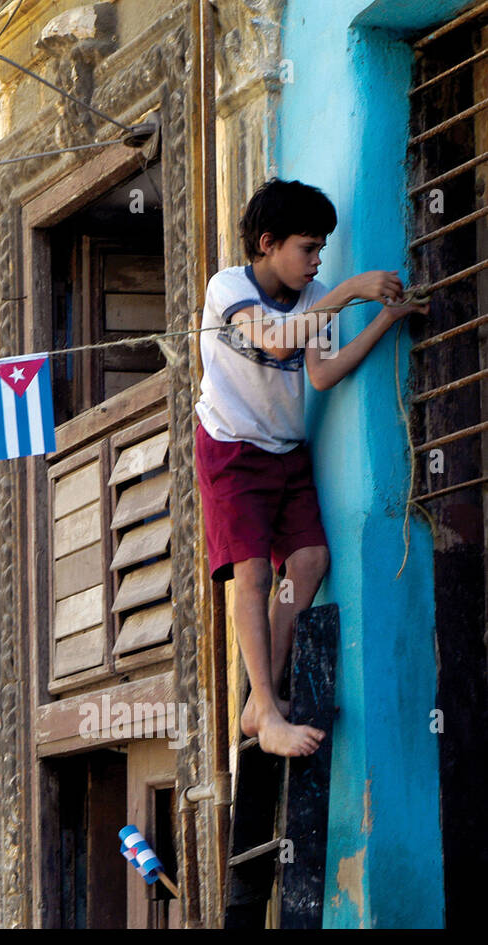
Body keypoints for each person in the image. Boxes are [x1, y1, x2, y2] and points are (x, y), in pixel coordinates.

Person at [193, 178, 428, 758]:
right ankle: (268, 712)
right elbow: (274, 343)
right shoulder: (228, 288)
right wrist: (347, 290)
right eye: (308, 247)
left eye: (323, 249)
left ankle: (258, 699)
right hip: (231, 449)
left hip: (287, 451)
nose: (316, 260)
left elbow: (319, 373)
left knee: (309, 560)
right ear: (269, 243)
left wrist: (385, 321)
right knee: (250, 575)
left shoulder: (314, 294)